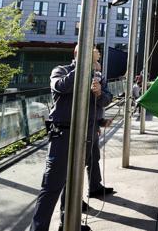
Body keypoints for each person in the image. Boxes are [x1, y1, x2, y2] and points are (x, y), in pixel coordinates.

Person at [30, 47, 115, 231]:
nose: (97, 59)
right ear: (79, 55)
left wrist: (99, 93)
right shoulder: (61, 71)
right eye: (93, 56)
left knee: (73, 184)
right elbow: (61, 87)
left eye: (96, 57)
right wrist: (84, 68)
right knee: (52, 185)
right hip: (64, 135)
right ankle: (38, 228)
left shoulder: (97, 77)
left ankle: (68, 223)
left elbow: (107, 99)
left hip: (87, 134)